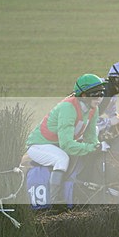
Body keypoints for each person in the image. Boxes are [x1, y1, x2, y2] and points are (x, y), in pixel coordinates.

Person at [26, 74, 106, 205]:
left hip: (56, 144)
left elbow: (91, 137)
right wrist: (92, 148)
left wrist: (97, 146)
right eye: (96, 95)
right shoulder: (68, 108)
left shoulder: (93, 109)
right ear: (84, 96)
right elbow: (67, 145)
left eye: (101, 95)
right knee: (61, 158)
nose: (100, 99)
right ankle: (55, 201)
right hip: (39, 145)